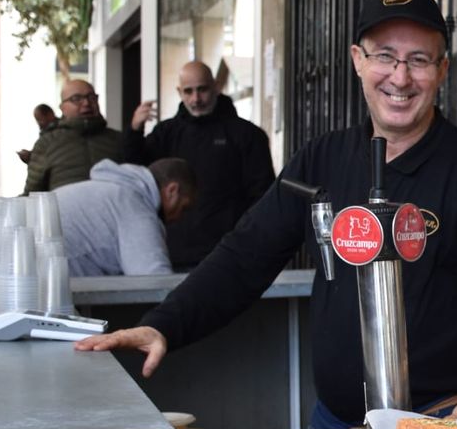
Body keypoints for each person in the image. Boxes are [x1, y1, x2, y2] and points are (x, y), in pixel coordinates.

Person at [78, 0, 457, 426]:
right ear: (358, 60)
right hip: (332, 423)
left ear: (442, 69)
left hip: (441, 422)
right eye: (385, 56)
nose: (400, 77)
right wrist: (164, 325)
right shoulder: (322, 158)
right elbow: (245, 255)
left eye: (419, 60)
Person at [127, 60, 276, 269]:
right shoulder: (166, 133)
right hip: (173, 252)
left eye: (202, 89)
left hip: (228, 254)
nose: (196, 99)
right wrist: (134, 131)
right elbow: (134, 177)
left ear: (216, 86)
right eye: (188, 91)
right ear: (179, 92)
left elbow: (262, 195)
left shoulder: (246, 135)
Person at [54, 158, 195, 277]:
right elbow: (154, 281)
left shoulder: (111, 188)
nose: (179, 217)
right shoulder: (134, 205)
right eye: (183, 208)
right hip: (51, 278)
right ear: (172, 190)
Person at [23, 79, 125, 193]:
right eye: (76, 99)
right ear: (63, 108)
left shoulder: (119, 140)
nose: (86, 103)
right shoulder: (47, 143)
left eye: (91, 97)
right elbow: (32, 194)